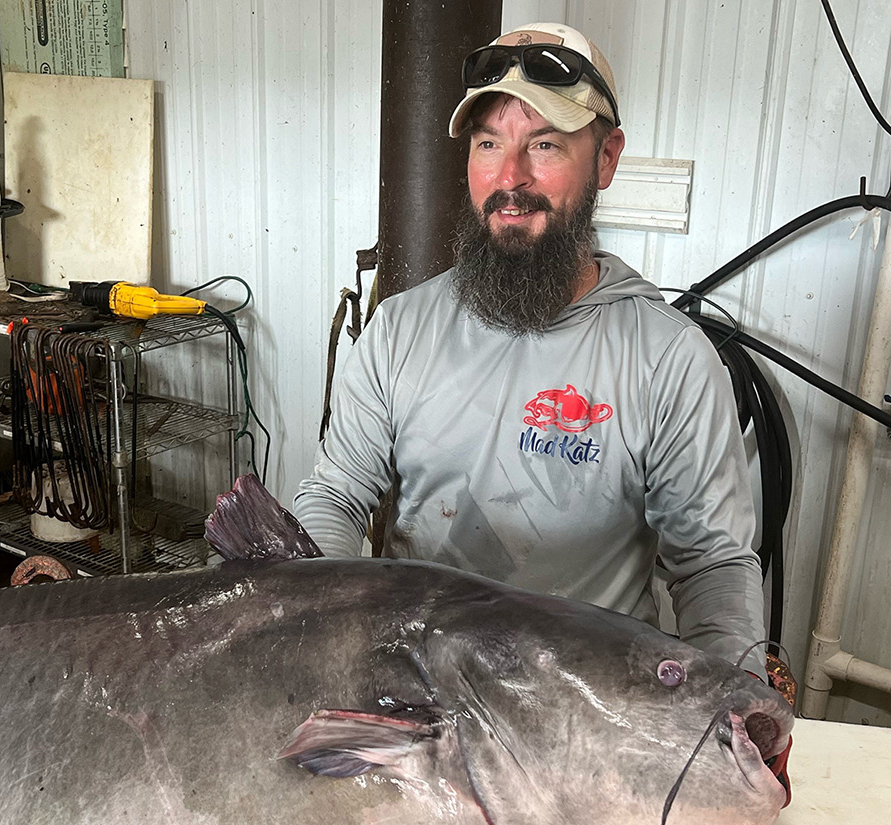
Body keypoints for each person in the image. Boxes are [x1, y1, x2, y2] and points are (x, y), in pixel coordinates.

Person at [293, 23, 768, 672]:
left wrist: (729, 710)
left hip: (584, 713)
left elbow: (712, 563)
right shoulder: (401, 329)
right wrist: (319, 628)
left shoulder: (670, 360)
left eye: (544, 144)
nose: (509, 177)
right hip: (420, 693)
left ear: (606, 158)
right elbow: (336, 496)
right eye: (489, 143)